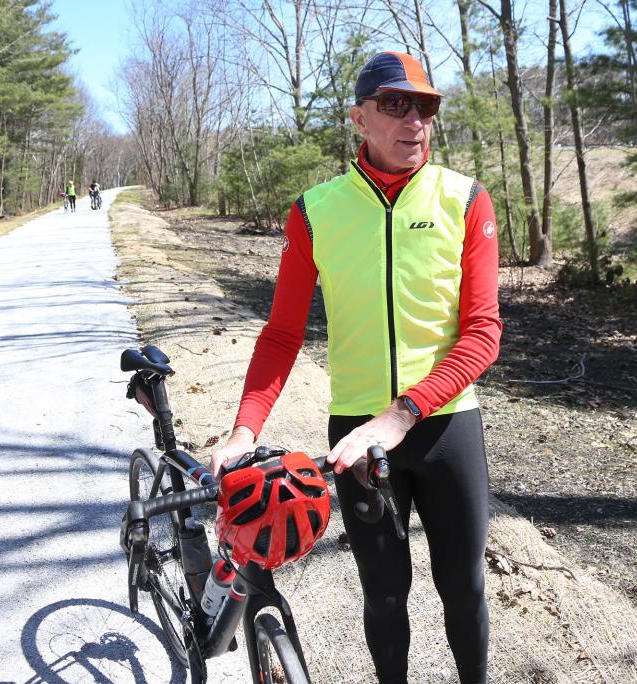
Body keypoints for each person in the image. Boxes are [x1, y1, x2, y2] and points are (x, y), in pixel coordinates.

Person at [210, 51, 501, 684]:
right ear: (358, 118)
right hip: (356, 438)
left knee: (464, 586)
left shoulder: (465, 199)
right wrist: (244, 428)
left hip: (447, 426)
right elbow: (283, 332)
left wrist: (403, 414)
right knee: (385, 591)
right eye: (395, 104)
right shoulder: (315, 210)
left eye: (424, 105)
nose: (414, 120)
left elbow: (483, 335)